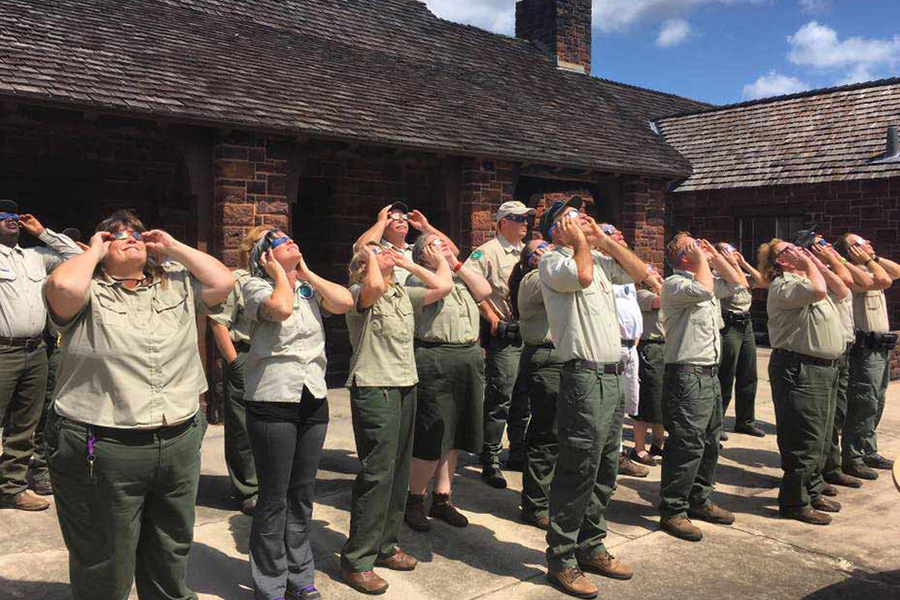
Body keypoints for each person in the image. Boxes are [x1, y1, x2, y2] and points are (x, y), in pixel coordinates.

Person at [43, 210, 234, 600]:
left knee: (171, 547)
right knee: (104, 558)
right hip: (104, 444)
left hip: (178, 439)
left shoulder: (177, 284)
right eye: (116, 235)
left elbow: (223, 281)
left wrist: (174, 247)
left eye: (135, 233)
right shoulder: (86, 289)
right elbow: (62, 286)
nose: (128, 237)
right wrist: (94, 250)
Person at [538, 197, 652, 599]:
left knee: (605, 468)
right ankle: (562, 558)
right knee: (578, 469)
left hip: (612, 377)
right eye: (572, 217)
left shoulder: (597, 257)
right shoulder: (553, 261)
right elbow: (582, 277)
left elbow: (640, 274)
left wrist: (603, 238)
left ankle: (591, 545)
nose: (582, 219)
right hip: (582, 379)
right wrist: (583, 243)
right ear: (556, 230)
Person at [241, 228, 353, 600]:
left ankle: (299, 574)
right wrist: (278, 276)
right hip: (274, 398)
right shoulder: (256, 287)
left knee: (302, 495)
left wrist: (306, 273)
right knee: (274, 497)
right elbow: (280, 310)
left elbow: (343, 302)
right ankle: (270, 583)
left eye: (291, 237)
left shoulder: (307, 288)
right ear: (264, 256)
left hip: (312, 397)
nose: (290, 240)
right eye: (277, 241)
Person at [340, 240, 453, 595]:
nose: (384, 251)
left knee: (399, 471)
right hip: (375, 387)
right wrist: (374, 256)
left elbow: (443, 285)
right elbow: (373, 285)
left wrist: (410, 263)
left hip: (406, 385)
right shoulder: (359, 291)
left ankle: (386, 546)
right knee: (377, 474)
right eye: (374, 250)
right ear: (362, 261)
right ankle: (357, 559)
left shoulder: (402, 293)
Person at [404, 230, 491, 532]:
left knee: (455, 435)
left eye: (442, 242)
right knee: (432, 433)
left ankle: (443, 498)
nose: (441, 247)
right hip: (435, 356)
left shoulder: (458, 275)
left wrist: (456, 264)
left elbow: (484, 291)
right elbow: (439, 288)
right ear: (421, 253)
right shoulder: (419, 278)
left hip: (466, 356)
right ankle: (414, 498)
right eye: (432, 244)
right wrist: (440, 263)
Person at [658, 234, 743, 542]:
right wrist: (703, 260)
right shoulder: (676, 285)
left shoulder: (704, 277)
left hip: (708, 374)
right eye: (691, 245)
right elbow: (705, 288)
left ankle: (700, 499)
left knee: (709, 441)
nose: (700, 247)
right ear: (683, 258)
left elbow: (737, 284)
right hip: (686, 374)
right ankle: (673, 509)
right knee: (687, 444)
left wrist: (715, 256)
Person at [0, 200, 81, 511]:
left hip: (36, 350)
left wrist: (43, 232)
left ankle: (12, 487)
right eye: (2, 215)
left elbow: (77, 256)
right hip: (3, 350)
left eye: (13, 215)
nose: (10, 219)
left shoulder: (38, 257)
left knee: (25, 423)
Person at [761, 239, 848, 524]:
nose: (798, 251)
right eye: (790, 250)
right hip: (800, 368)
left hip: (824, 369)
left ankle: (813, 489)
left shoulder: (808, 278)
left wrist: (817, 262)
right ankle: (794, 502)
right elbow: (820, 290)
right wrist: (810, 265)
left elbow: (843, 288)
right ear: (781, 262)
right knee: (804, 437)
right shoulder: (783, 285)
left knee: (822, 437)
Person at [464, 200, 535, 489]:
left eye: (527, 219)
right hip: (504, 334)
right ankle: (490, 457)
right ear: (502, 222)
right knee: (500, 398)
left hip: (528, 334)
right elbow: (466, 280)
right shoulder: (488, 252)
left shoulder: (529, 252)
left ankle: (517, 450)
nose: (525, 224)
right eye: (518, 219)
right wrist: (488, 312)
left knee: (524, 399)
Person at [797, 232, 872, 490]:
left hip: (843, 347)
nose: (828, 246)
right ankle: (826, 470)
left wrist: (832, 258)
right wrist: (826, 259)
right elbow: (847, 281)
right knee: (827, 418)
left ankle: (831, 466)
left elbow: (868, 279)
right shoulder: (816, 275)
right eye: (821, 244)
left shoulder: (830, 268)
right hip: (828, 352)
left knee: (836, 413)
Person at [208, 226, 269, 516]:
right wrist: (234, 363)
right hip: (245, 354)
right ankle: (249, 489)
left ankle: (270, 482)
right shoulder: (237, 280)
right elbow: (219, 323)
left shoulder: (280, 281)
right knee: (242, 428)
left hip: (274, 358)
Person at [836, 233, 900, 480]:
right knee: (863, 403)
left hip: (881, 347)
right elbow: (884, 280)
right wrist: (866, 261)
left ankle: (868, 449)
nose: (868, 245)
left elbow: (896, 271)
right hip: (864, 348)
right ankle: (852, 456)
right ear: (850, 251)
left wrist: (874, 257)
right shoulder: (852, 272)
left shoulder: (870, 266)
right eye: (860, 244)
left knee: (877, 401)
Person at [512, 239, 560, 531]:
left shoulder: (552, 272)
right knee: (547, 433)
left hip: (566, 357)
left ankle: (550, 495)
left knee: (562, 433)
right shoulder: (533, 279)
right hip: (546, 357)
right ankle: (535, 504)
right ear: (531, 259)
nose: (551, 249)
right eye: (543, 248)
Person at [600, 223, 653, 475]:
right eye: (612, 233)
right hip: (612, 347)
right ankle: (612, 457)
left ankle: (617, 453)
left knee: (624, 407)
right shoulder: (600, 265)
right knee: (609, 408)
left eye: (619, 231)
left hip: (631, 348)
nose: (620, 234)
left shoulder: (625, 270)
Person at [714, 243, 765, 439]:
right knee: (725, 375)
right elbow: (739, 283)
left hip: (746, 324)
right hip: (730, 324)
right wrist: (731, 265)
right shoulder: (718, 274)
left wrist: (743, 263)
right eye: (728, 250)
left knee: (748, 374)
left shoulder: (740, 270)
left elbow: (761, 281)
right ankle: (717, 424)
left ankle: (745, 421)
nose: (733, 253)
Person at [354, 202, 459, 286]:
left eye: (404, 217)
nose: (401, 220)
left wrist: (426, 227)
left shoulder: (418, 249)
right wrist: (381, 222)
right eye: (394, 217)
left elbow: (453, 252)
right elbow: (362, 249)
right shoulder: (380, 253)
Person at [634, 266, 666, 464]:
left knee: (661, 399)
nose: (657, 273)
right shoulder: (642, 295)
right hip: (650, 348)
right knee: (647, 399)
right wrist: (657, 284)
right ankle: (639, 448)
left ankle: (659, 442)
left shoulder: (658, 290)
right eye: (651, 272)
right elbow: (665, 301)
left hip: (665, 348)